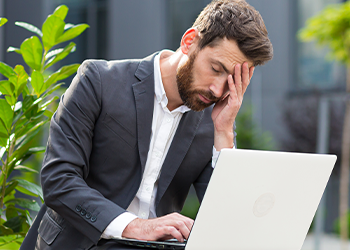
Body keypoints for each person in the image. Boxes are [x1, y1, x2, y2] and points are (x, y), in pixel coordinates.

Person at [33, 0, 273, 249]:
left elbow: (227, 220)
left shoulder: (216, 122)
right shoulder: (99, 82)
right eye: (215, 68)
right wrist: (135, 226)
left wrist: (223, 132)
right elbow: (58, 180)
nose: (217, 89)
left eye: (232, 80)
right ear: (189, 41)